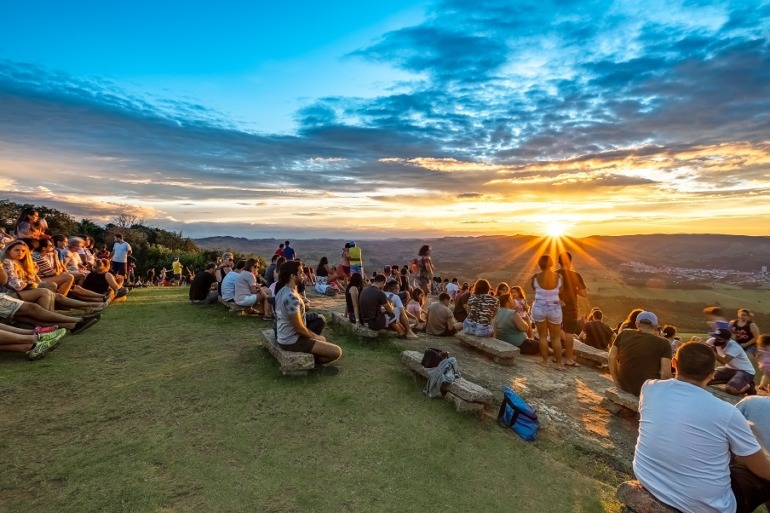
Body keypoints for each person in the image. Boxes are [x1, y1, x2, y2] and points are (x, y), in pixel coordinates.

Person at [633, 341, 770, 513]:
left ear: (674, 363)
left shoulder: (649, 387)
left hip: (649, 477)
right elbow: (762, 469)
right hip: (707, 506)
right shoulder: (726, 413)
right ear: (712, 374)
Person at [274, 260, 341, 365]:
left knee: (323, 338)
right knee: (336, 351)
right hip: (292, 341)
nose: (303, 275)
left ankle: (314, 353)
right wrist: (315, 337)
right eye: (300, 272)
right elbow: (299, 328)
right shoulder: (291, 297)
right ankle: (311, 362)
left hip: (284, 336)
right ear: (292, 275)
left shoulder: (282, 291)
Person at [608, 311, 672, 396]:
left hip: (623, 386)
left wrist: (616, 380)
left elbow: (611, 357)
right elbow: (665, 374)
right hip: (647, 392)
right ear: (655, 327)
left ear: (637, 324)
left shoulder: (624, 333)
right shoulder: (664, 343)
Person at [531, 255, 573, 369]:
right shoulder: (559, 277)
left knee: (542, 336)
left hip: (539, 306)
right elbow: (560, 290)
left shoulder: (535, 277)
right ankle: (559, 364)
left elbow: (535, 289)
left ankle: (544, 361)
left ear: (539, 265)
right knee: (555, 338)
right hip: (554, 307)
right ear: (551, 264)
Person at [708, 328, 757, 396]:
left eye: (719, 339)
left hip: (745, 371)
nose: (715, 340)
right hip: (729, 369)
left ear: (726, 340)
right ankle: (733, 381)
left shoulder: (734, 347)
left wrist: (712, 351)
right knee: (705, 378)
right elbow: (703, 348)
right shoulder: (713, 340)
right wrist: (697, 343)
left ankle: (748, 386)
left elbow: (724, 361)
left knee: (731, 389)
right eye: (715, 337)